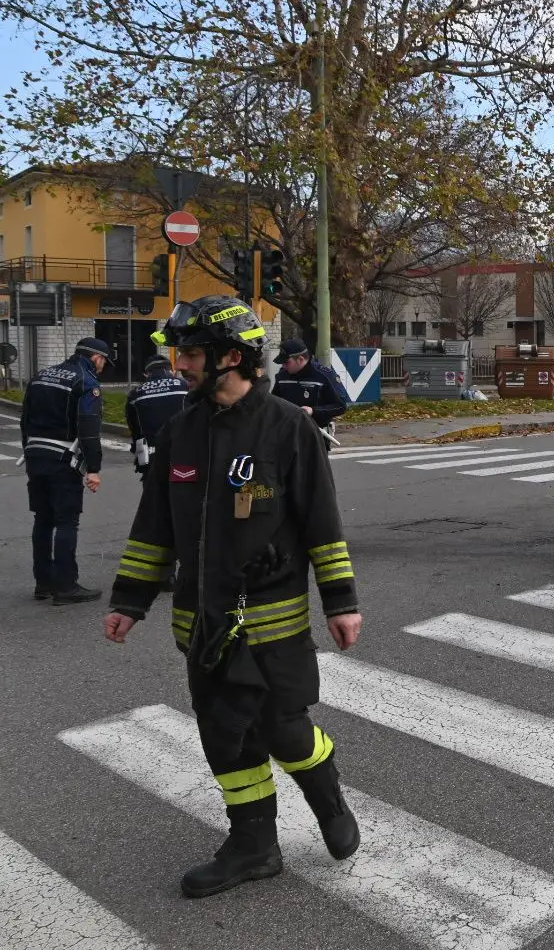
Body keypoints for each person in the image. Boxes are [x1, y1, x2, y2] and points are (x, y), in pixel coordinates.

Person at [103, 296, 363, 898]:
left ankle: (326, 797)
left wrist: (341, 602)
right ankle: (253, 845)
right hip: (202, 622)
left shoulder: (288, 426)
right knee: (224, 734)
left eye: (191, 352)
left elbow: (323, 523)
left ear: (231, 357)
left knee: (283, 729)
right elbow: (154, 527)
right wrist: (129, 600)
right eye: (179, 351)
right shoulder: (180, 431)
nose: (180, 363)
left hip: (272, 621)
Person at [19, 336, 109, 604]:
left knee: (43, 519)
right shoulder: (87, 382)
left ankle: (43, 583)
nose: (104, 367)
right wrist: (93, 469)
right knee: (67, 521)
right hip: (63, 460)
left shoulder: (41, 376)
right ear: (96, 358)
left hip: (35, 456)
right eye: (104, 362)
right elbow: (89, 429)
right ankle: (66, 586)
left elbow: (25, 419)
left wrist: (29, 453)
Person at [270, 338, 349, 441]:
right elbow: (275, 402)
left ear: (301, 359)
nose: (283, 366)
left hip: (316, 436)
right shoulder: (282, 376)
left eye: (287, 362)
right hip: (287, 435)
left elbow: (341, 406)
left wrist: (313, 411)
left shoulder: (323, 376)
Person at [126, 355, 188, 477]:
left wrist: (136, 450)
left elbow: (134, 428)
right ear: (172, 371)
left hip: (151, 458)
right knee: (182, 493)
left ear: (147, 373)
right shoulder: (185, 386)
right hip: (183, 455)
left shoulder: (135, 394)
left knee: (153, 494)